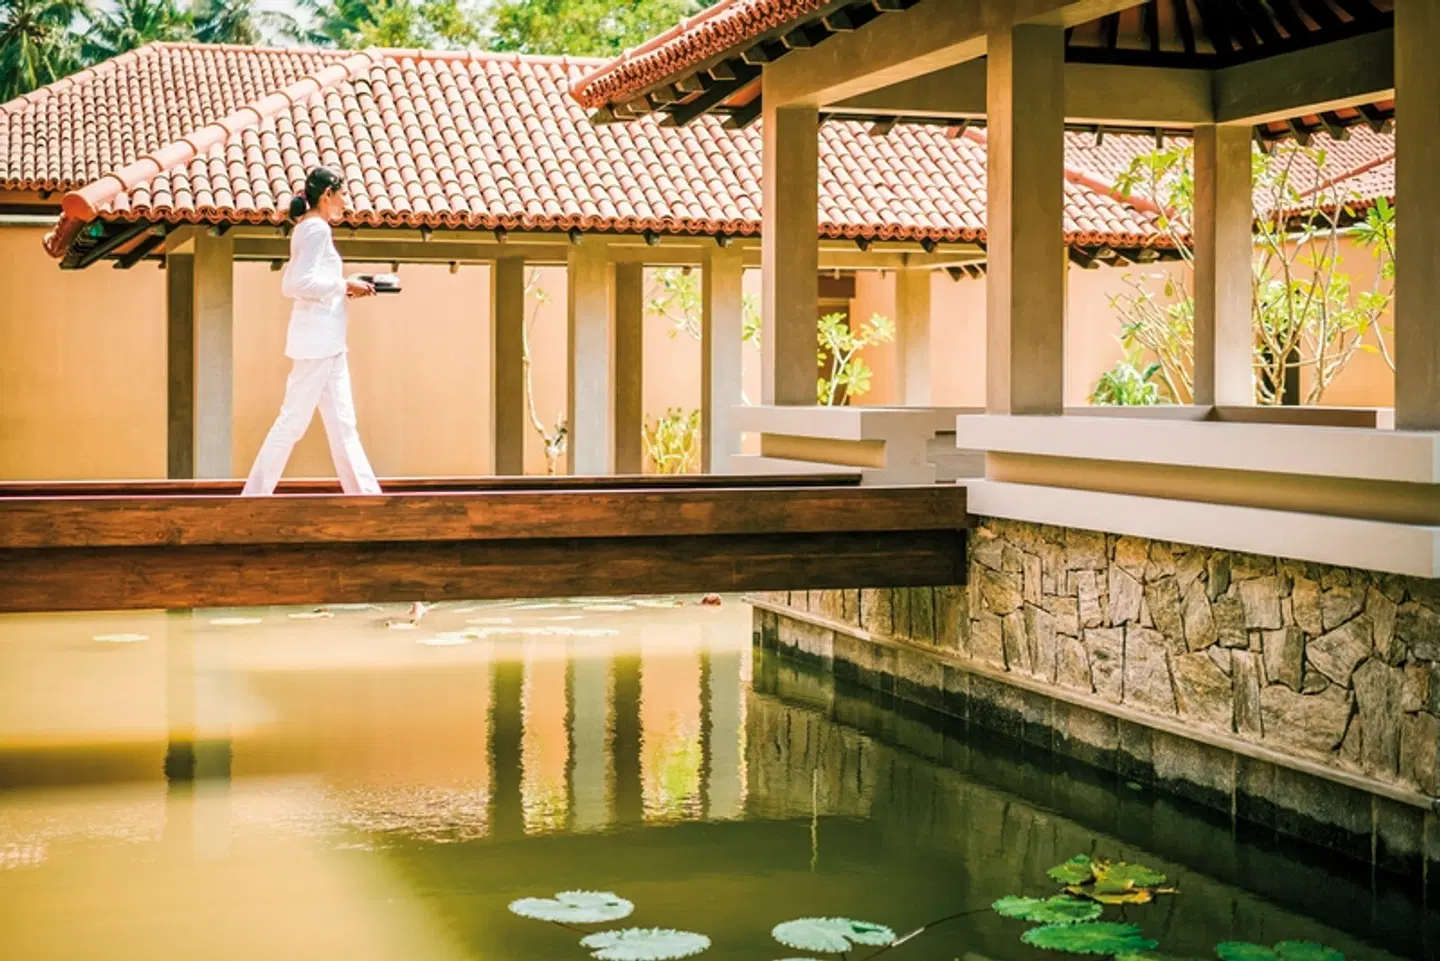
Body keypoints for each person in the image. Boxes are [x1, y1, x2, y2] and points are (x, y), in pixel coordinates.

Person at [241, 166, 383, 496]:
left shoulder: (310, 228)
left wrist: (345, 287)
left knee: (343, 425)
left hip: (328, 343)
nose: (346, 202)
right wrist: (343, 284)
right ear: (327, 195)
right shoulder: (317, 229)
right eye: (343, 194)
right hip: (318, 342)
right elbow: (295, 283)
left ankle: (366, 498)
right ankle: (253, 497)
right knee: (293, 421)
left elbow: (307, 282)